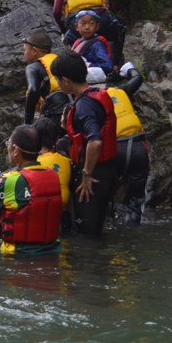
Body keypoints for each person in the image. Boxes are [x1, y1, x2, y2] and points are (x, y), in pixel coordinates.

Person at [50, 50, 119, 236]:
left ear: (65, 80)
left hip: (96, 176)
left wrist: (87, 175)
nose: (57, 84)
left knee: (88, 233)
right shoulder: (95, 93)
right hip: (107, 171)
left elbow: (95, 141)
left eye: (57, 80)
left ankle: (92, 265)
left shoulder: (85, 105)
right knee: (96, 229)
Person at [0, 125, 63, 255]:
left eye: (8, 143)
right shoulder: (53, 176)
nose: (7, 147)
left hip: (18, 255)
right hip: (52, 252)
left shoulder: (13, 180)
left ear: (16, 151)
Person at [107, 62, 151, 224]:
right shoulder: (120, 91)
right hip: (138, 147)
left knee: (105, 198)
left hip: (112, 150)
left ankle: (109, 224)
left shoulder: (87, 98)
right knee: (134, 205)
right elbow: (138, 78)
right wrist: (128, 68)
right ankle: (133, 227)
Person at [23, 30, 73, 126]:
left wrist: (27, 122)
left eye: (25, 50)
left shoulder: (33, 67)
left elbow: (32, 90)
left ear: (34, 51)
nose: (24, 54)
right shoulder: (61, 59)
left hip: (56, 112)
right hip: (74, 106)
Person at [35, 117, 73, 234]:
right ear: (57, 139)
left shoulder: (34, 162)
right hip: (64, 215)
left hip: (42, 215)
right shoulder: (66, 161)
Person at [70, 10, 114, 83]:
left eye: (91, 23)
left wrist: (88, 65)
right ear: (76, 26)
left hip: (94, 80)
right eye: (83, 23)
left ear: (97, 26)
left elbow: (108, 66)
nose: (87, 27)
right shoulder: (78, 42)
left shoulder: (97, 44)